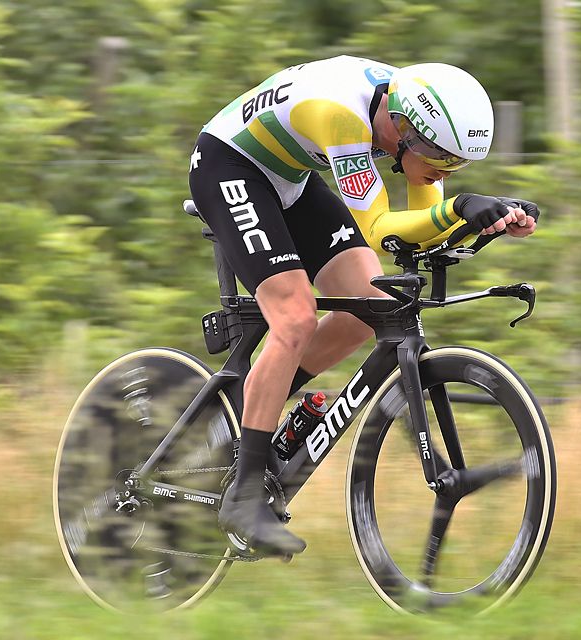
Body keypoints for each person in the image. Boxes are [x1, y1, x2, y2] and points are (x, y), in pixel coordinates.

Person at [188, 55, 539, 557]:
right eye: (443, 158)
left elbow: (422, 229)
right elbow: (383, 230)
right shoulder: (342, 117)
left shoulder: (408, 115)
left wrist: (485, 217)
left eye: (457, 165)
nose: (445, 171)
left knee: (368, 304)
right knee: (294, 317)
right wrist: (460, 208)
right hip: (229, 166)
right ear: (404, 132)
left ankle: (248, 414)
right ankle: (243, 498)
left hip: (290, 179)